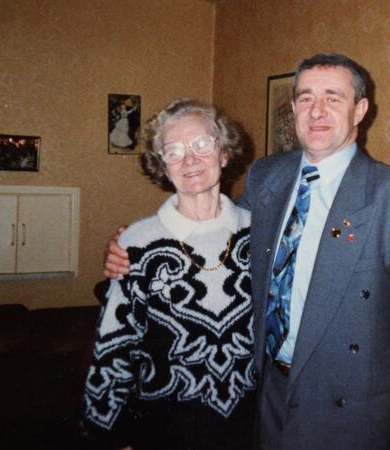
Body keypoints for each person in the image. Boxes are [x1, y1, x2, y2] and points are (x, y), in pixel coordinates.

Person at [105, 53, 390, 449]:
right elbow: (214, 237)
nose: (317, 111)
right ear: (293, 107)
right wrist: (137, 245)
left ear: (360, 110)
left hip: (356, 416)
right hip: (268, 397)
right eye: (306, 98)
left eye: (333, 98)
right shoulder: (267, 177)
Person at [83, 98, 256, 450]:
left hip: (250, 428)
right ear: (162, 166)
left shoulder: (260, 233)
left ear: (224, 154)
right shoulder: (137, 243)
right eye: (173, 151)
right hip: (164, 430)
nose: (189, 159)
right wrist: (111, 437)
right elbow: (113, 349)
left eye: (202, 145)